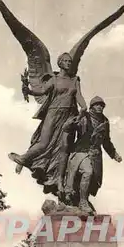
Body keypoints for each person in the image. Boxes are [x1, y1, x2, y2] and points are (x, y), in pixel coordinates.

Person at [9, 52, 87, 195]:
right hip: (53, 114)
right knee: (43, 143)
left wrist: (84, 107)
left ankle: (59, 180)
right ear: (60, 63)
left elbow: (79, 96)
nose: (69, 63)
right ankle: (23, 159)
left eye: (70, 61)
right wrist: (28, 91)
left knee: (64, 149)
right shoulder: (54, 79)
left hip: (68, 117)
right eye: (66, 61)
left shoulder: (75, 80)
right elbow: (42, 92)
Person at [62, 96, 122, 213]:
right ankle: (82, 202)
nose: (100, 107)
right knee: (87, 172)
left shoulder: (105, 122)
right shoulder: (85, 117)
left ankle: (83, 199)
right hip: (81, 152)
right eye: (97, 105)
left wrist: (114, 154)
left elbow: (106, 141)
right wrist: (78, 117)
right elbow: (68, 127)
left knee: (93, 180)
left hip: (95, 155)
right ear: (92, 106)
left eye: (102, 105)